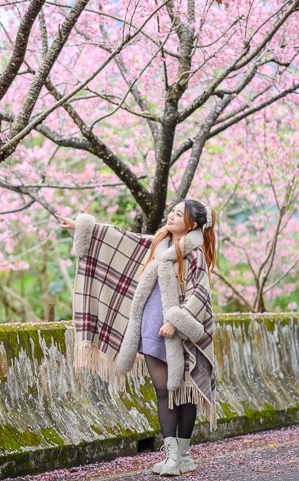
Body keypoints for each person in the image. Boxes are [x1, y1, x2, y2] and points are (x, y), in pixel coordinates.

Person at [57, 200, 218, 476]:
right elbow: (123, 239)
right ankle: (170, 457)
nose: (171, 215)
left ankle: (183, 454)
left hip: (182, 332)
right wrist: (85, 228)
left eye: (179, 214)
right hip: (150, 330)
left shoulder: (194, 254)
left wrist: (176, 322)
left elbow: (201, 294)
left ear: (191, 224)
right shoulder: (157, 243)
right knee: (164, 391)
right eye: (173, 211)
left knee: (186, 391)